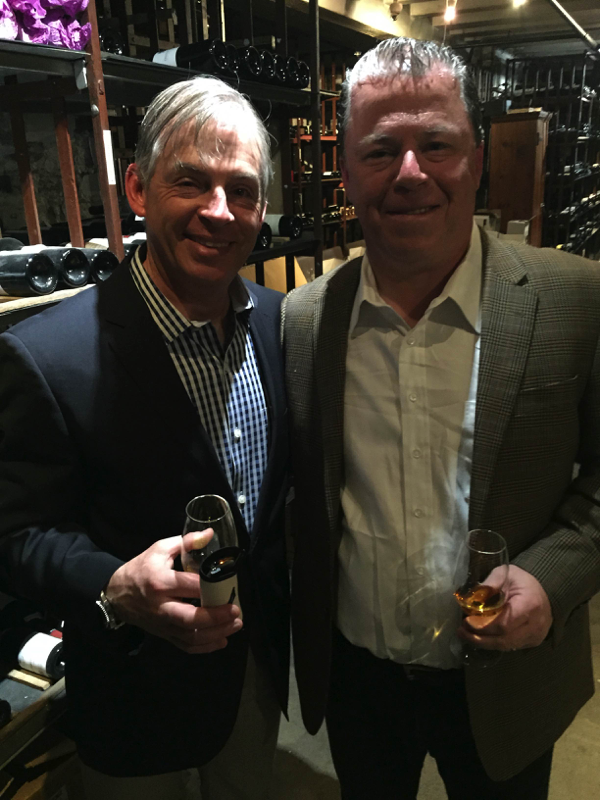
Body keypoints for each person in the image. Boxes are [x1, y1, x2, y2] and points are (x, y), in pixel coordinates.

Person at [283, 37, 600, 800]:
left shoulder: (577, 299)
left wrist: (554, 580)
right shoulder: (303, 321)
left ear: (477, 159)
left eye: (437, 144)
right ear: (347, 171)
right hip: (360, 687)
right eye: (380, 150)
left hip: (507, 682)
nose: (410, 173)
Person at [0, 76, 289, 800]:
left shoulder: (283, 324)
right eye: (190, 181)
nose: (218, 211)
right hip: (133, 696)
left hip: (256, 678)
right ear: (137, 188)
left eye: (242, 190)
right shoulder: (48, 355)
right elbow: (16, 534)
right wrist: (111, 584)